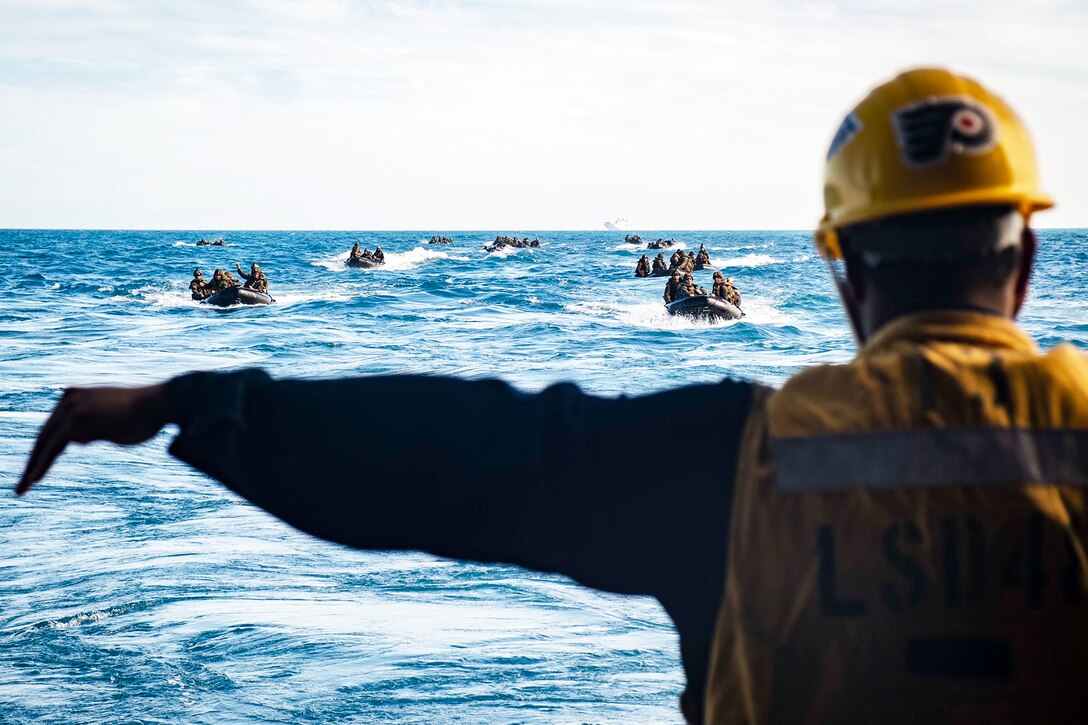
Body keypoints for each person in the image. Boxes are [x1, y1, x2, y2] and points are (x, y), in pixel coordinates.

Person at [17, 69, 1083, 723]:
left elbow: (464, 452)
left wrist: (194, 402)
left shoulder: (738, 455)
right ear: (1025, 255)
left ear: (843, 265)